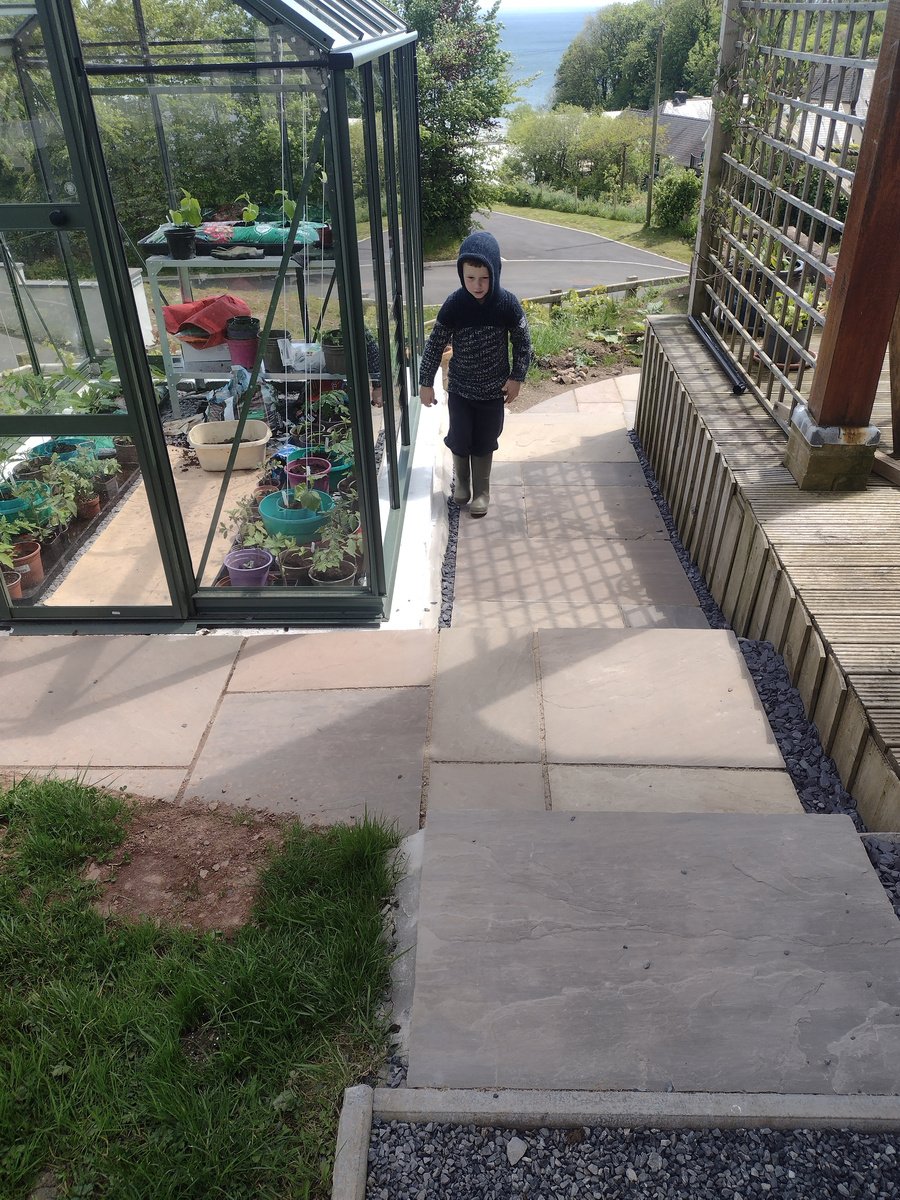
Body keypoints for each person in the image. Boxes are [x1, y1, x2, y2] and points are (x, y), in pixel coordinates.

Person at [418, 231, 532, 517]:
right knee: (460, 436)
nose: (477, 285)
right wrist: (425, 382)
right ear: (461, 275)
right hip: (460, 389)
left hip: (494, 391)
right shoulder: (455, 304)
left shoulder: (507, 304)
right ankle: (463, 485)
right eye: (470, 278)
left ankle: (482, 491)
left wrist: (517, 377)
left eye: (484, 278)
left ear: (495, 272)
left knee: (485, 438)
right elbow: (435, 343)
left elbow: (522, 341)